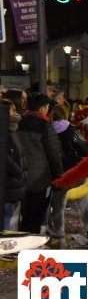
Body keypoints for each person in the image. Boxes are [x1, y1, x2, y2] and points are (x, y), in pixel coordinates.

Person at [50, 105, 88, 249]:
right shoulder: (71, 130)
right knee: (85, 204)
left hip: (59, 173)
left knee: (59, 206)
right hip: (76, 172)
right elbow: (84, 148)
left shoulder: (47, 131)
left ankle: (61, 240)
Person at [17, 93, 63, 234]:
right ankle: (29, 248)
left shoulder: (18, 122)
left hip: (18, 177)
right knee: (35, 218)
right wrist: (59, 179)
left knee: (19, 217)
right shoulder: (45, 126)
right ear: (43, 108)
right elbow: (54, 155)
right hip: (39, 181)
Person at [1, 99, 26, 231]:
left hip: (14, 183)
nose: (16, 113)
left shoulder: (13, 130)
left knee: (12, 217)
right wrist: (19, 172)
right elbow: (6, 157)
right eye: (13, 110)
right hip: (10, 183)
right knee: (8, 219)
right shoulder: (6, 131)